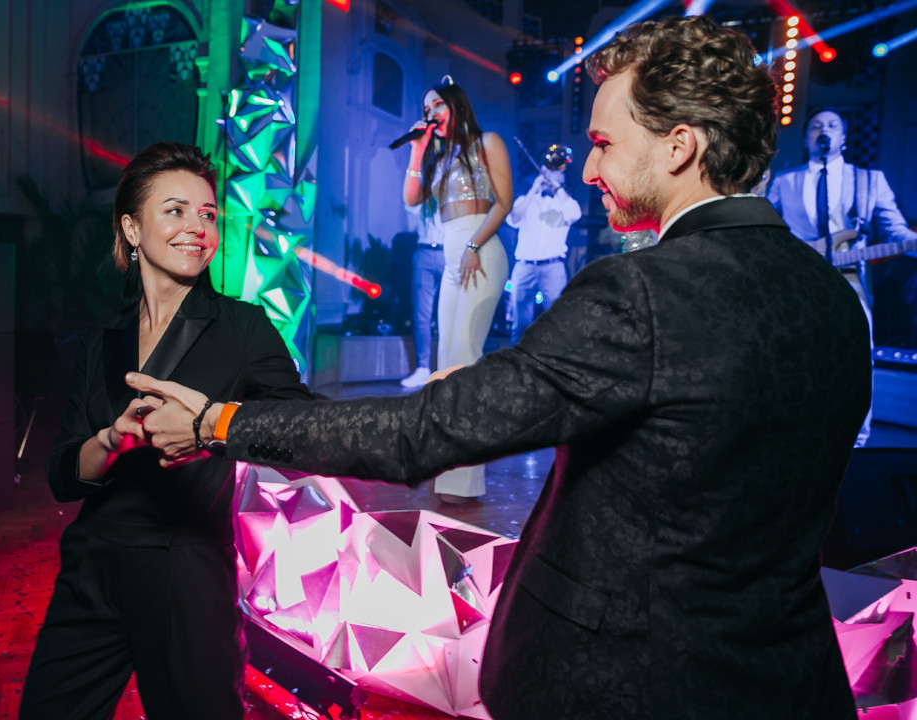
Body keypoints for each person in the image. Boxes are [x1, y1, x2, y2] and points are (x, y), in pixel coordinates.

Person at [129, 16, 869, 719]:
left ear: (678, 146)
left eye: (603, 144)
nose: (588, 169)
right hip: (789, 683)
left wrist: (216, 422)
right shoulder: (832, 299)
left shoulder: (641, 292)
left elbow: (419, 433)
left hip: (629, 686)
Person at [19, 142, 311, 720]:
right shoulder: (103, 341)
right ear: (132, 228)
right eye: (175, 211)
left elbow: (302, 434)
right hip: (93, 567)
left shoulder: (243, 327)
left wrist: (211, 427)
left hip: (187, 574)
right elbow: (61, 476)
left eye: (208, 214)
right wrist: (110, 442)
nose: (198, 228)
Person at [768, 108, 917, 446]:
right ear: (806, 138)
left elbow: (895, 231)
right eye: (816, 126)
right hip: (798, 280)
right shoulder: (784, 181)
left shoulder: (869, 180)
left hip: (849, 279)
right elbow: (766, 231)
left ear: (844, 138)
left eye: (833, 125)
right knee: (796, 354)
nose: (824, 130)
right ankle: (794, 434)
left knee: (856, 356)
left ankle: (857, 441)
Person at [401, 75, 513, 502]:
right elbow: (411, 198)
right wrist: (417, 150)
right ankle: (447, 467)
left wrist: (472, 246)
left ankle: (464, 482)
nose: (432, 114)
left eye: (438, 106)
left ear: (456, 104)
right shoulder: (440, 158)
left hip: (479, 251)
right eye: (426, 109)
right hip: (453, 256)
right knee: (446, 360)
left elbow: (504, 202)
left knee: (465, 356)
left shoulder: (488, 142)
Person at [505, 154, 582, 344]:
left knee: (556, 321)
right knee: (520, 324)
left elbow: (575, 215)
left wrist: (557, 188)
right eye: (549, 172)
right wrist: (534, 189)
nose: (552, 176)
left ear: (563, 177)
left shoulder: (565, 204)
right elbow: (513, 219)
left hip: (553, 268)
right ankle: (517, 359)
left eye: (557, 173)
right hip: (524, 266)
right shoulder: (525, 200)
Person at [400, 198, 444, 388]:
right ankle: (422, 368)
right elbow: (410, 206)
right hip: (424, 251)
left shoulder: (454, 186)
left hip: (449, 252)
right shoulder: (424, 192)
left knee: (450, 315)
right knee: (421, 315)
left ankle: (448, 367)